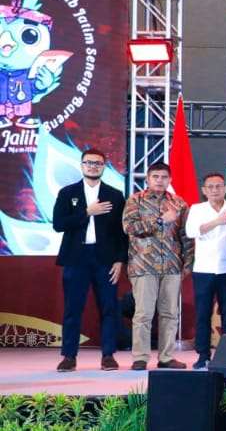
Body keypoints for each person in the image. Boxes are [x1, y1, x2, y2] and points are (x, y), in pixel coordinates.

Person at [52, 148, 128, 372]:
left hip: (105, 259)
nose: (93, 167)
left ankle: (108, 355)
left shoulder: (115, 195)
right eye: (89, 163)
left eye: (97, 163)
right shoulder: (68, 193)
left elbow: (121, 233)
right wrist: (87, 212)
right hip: (76, 258)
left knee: (108, 307)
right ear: (82, 165)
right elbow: (59, 224)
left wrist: (119, 261)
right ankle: (69, 356)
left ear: (104, 166)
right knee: (73, 308)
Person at [121, 161, 192, 370]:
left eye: (164, 177)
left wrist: (188, 262)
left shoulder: (179, 203)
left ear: (170, 180)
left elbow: (186, 236)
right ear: (148, 179)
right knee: (143, 314)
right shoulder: (135, 201)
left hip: (172, 265)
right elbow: (129, 227)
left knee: (170, 313)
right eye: (155, 177)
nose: (159, 181)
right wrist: (159, 221)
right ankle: (140, 357)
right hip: (143, 265)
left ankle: (166, 357)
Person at [185, 173, 226, 369]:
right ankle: (202, 355)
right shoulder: (197, 209)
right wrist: (217, 221)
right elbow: (191, 232)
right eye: (211, 187)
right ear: (204, 190)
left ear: (225, 188)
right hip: (204, 269)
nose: (215, 190)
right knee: (203, 314)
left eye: (218, 186)